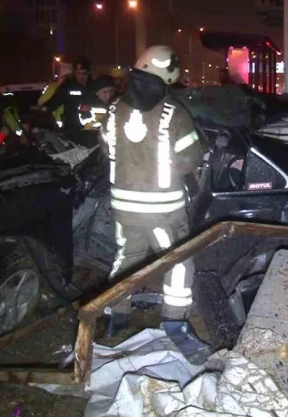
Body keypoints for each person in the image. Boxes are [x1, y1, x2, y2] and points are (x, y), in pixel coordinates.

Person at [99, 45, 207, 363]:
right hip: (162, 209)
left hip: (123, 204)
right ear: (167, 73)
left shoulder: (114, 109)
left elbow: (106, 150)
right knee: (178, 262)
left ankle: (115, 315)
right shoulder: (174, 113)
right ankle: (175, 322)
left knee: (127, 257)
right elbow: (192, 158)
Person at [42, 57, 93, 130]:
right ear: (74, 73)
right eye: (78, 73)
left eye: (84, 73)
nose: (81, 77)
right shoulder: (67, 87)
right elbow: (54, 102)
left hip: (93, 129)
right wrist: (42, 110)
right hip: (72, 129)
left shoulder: (94, 87)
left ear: (88, 73)